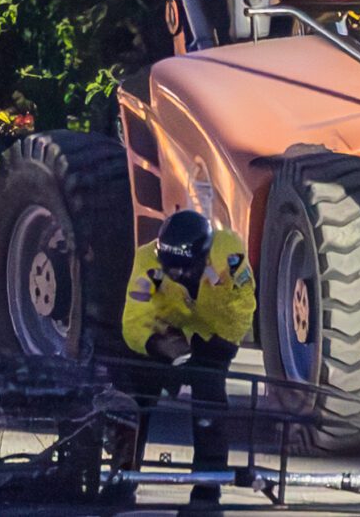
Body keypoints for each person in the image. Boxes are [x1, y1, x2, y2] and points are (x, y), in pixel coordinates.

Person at [109, 210, 256, 506]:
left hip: (214, 334)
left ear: (204, 256)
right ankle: (122, 479)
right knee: (134, 394)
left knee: (209, 398)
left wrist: (216, 349)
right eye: (170, 269)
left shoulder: (229, 253)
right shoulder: (147, 259)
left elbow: (244, 305)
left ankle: (206, 493)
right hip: (167, 332)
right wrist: (158, 345)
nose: (176, 275)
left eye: (184, 270)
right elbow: (134, 319)